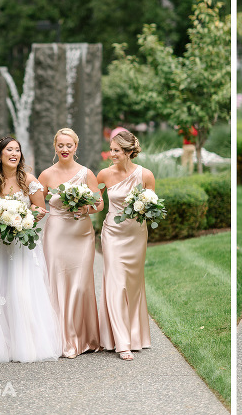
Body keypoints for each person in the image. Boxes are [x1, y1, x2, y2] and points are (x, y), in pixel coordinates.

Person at [0, 136, 62, 362]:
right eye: (9, 150)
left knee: (21, 289)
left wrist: (22, 219)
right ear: (0, 154)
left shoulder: (29, 180)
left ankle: (24, 343)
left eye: (17, 150)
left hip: (21, 244)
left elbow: (40, 209)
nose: (14, 154)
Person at [39, 128, 103, 358]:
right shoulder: (45, 175)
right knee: (57, 281)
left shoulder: (87, 173)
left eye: (69, 145)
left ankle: (82, 337)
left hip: (81, 233)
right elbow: (36, 204)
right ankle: (60, 339)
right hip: (56, 233)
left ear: (76, 147)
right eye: (60, 145)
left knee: (79, 283)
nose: (65, 149)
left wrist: (85, 206)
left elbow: (99, 204)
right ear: (55, 147)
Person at [96, 130, 153, 360]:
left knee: (133, 284)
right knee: (116, 283)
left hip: (137, 235)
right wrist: (83, 205)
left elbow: (151, 206)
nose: (111, 154)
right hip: (112, 233)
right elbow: (97, 203)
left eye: (116, 151)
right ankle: (121, 342)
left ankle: (135, 335)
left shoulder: (146, 175)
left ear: (129, 152)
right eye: (111, 150)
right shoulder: (104, 175)